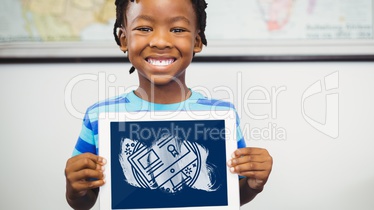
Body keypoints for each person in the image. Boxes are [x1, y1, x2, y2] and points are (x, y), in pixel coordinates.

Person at [64, 0, 273, 209]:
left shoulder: (221, 115)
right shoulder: (99, 115)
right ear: (124, 39)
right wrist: (74, 189)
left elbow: (229, 193)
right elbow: (84, 200)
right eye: (145, 28)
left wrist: (253, 184)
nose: (161, 41)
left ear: (197, 41)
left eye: (178, 29)